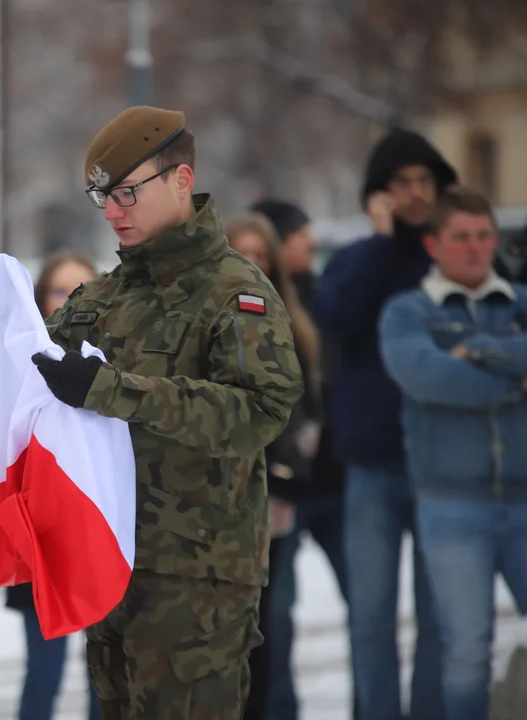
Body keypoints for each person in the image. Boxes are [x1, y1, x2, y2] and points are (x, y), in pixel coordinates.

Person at [30, 107, 304, 720]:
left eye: (127, 191)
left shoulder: (235, 291)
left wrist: (112, 389)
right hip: (110, 560)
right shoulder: (103, 296)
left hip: (196, 577)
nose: (111, 210)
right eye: (103, 194)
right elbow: (13, 360)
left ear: (182, 180)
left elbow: (260, 410)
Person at [310, 127, 458, 720]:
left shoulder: (458, 255)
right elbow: (335, 317)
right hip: (371, 465)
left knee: (439, 620)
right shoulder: (357, 258)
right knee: (370, 619)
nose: (417, 193)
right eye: (403, 182)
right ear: (380, 191)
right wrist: (379, 241)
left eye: (426, 181)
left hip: (444, 465)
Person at [379, 186, 527, 720]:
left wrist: (484, 350)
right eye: (461, 237)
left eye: (484, 235)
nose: (475, 247)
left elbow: (459, 370)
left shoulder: (520, 304)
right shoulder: (406, 313)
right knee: (465, 651)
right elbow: (429, 377)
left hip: (525, 498)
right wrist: (516, 381)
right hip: (451, 505)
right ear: (433, 244)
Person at [248, 199, 353, 720]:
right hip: (272, 493)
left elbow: (316, 399)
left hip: (325, 479)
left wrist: (300, 459)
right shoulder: (237, 310)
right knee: (274, 618)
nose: (309, 245)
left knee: (362, 608)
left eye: (261, 253)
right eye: (301, 236)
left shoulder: (310, 301)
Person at [225, 213, 321, 720]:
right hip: (220, 498)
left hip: (276, 495)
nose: (252, 265)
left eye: (261, 255)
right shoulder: (215, 319)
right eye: (242, 253)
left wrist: (290, 465)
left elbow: (306, 407)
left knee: (273, 618)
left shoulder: (290, 322)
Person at [6, 250, 102, 720]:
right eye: (60, 291)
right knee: (43, 669)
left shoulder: (118, 366)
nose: (70, 302)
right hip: (38, 533)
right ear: (41, 298)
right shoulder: (17, 362)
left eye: (82, 291)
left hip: (96, 530)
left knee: (105, 670)